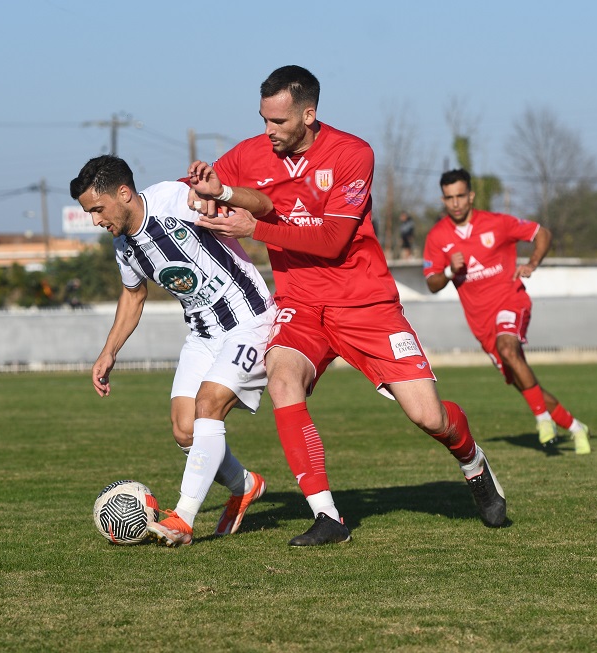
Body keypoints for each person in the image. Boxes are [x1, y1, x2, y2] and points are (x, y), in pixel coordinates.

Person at [187, 65, 506, 546]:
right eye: (263, 120)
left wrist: (256, 230)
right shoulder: (253, 152)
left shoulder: (352, 153)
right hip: (301, 302)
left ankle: (472, 461)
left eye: (278, 122)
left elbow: (334, 241)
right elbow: (201, 186)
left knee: (428, 416)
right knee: (282, 378)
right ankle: (328, 517)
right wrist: (201, 187)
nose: (268, 132)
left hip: (365, 303)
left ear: (308, 114)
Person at [70, 155, 277, 547]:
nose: (96, 220)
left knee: (208, 405)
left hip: (249, 320)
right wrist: (108, 352)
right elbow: (134, 295)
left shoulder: (173, 200)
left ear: (124, 193)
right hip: (202, 334)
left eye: (98, 209)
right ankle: (245, 485)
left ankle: (183, 517)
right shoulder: (124, 245)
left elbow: (232, 206)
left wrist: (215, 199)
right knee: (185, 431)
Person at [423, 169, 591, 455]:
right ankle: (576, 427)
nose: (456, 203)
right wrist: (451, 270)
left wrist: (532, 263)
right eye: (449, 198)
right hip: (480, 323)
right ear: (443, 199)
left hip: (510, 301)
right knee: (523, 381)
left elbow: (542, 234)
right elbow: (431, 283)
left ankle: (542, 422)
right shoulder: (438, 236)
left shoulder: (497, 223)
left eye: (461, 196)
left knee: (509, 349)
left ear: (471, 195)